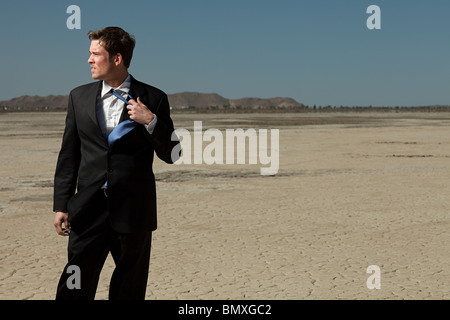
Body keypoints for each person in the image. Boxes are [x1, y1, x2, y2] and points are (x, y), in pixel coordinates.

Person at [53, 26, 180, 300]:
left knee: (129, 289)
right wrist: (61, 204)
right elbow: (69, 154)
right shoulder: (79, 97)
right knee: (74, 284)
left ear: (117, 59)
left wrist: (151, 121)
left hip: (133, 211)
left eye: (95, 54)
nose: (89, 60)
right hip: (87, 209)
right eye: (90, 54)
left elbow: (173, 153)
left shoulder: (154, 98)